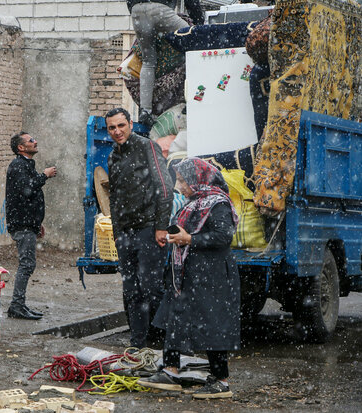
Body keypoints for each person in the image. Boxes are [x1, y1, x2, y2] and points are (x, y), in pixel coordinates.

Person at [138, 157, 241, 399]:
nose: (180, 186)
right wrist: (175, 238)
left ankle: (221, 380)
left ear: (199, 180)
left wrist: (190, 240)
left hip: (212, 275)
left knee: (211, 324)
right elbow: (185, 232)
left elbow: (223, 237)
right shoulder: (193, 203)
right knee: (176, 317)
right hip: (187, 272)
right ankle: (171, 371)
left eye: (184, 181)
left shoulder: (217, 204)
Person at [105, 108, 173, 348]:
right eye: (112, 127)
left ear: (130, 124)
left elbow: (164, 187)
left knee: (152, 288)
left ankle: (166, 344)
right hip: (124, 232)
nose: (117, 131)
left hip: (148, 228)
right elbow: (113, 198)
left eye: (121, 125)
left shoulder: (147, 147)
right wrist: (116, 232)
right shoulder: (113, 155)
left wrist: (161, 227)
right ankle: (137, 344)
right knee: (131, 290)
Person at [126, 0, 204, 127]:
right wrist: (198, 24)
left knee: (148, 61)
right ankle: (193, 100)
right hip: (161, 10)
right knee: (194, 45)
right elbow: (192, 3)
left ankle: (145, 110)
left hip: (137, 10)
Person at [5, 132, 57, 320]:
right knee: (26, 264)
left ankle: (19, 305)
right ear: (21, 148)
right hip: (21, 223)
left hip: (28, 223)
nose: (35, 141)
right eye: (30, 140)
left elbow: (30, 195)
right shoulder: (18, 165)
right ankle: (16, 306)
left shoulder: (26, 164)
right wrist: (44, 175)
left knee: (27, 264)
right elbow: (27, 189)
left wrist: (37, 223)